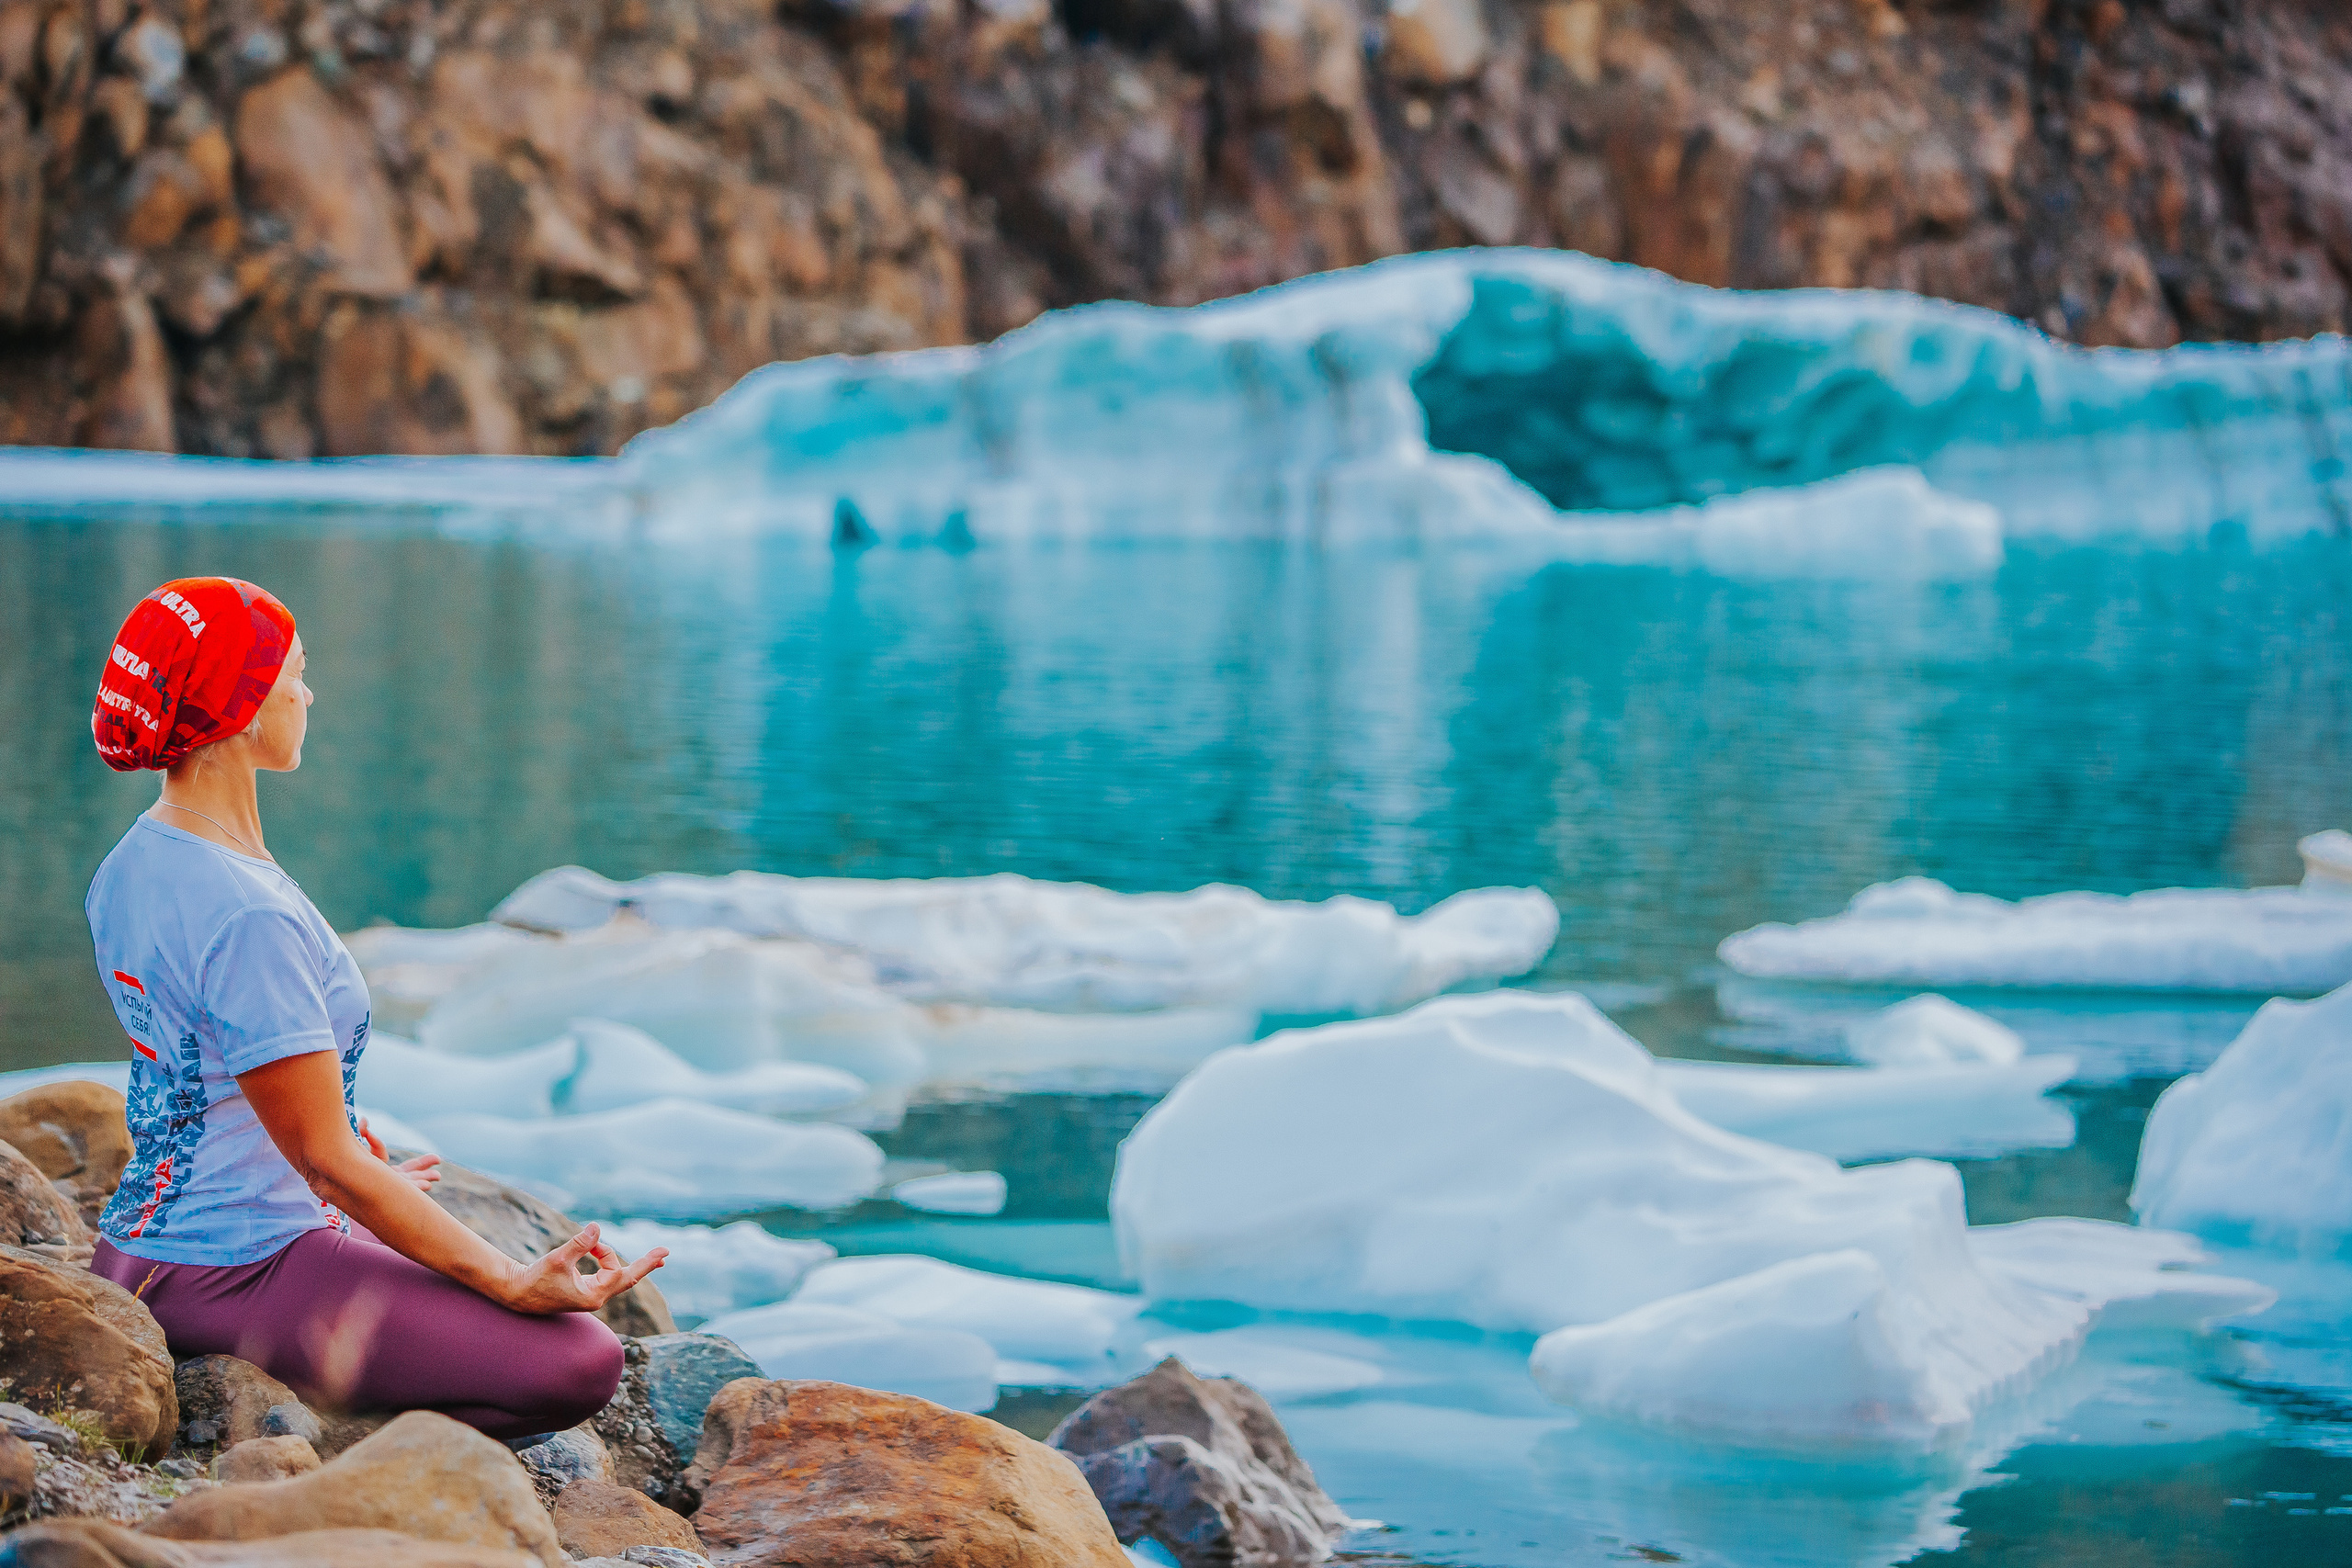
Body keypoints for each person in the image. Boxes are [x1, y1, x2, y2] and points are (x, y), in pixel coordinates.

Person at [83, 577, 665, 1438]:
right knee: (583, 1357)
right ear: (242, 708)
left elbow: (200, 1075)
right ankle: (340, 1433)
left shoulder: (135, 859)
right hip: (237, 1268)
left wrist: (349, 1169)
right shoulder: (248, 912)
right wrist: (508, 1278)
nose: (307, 693)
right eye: (294, 671)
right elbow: (326, 1162)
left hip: (140, 1248)